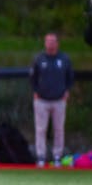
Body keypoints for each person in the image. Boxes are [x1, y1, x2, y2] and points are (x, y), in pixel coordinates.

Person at [29, 31, 74, 168]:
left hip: (59, 100)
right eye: (48, 41)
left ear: (57, 43)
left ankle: (57, 156)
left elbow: (70, 77)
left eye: (53, 41)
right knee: (40, 129)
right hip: (41, 100)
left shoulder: (64, 59)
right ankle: (41, 156)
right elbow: (32, 77)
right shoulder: (39, 59)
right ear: (45, 43)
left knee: (59, 129)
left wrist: (67, 91)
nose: (50, 44)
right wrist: (35, 92)